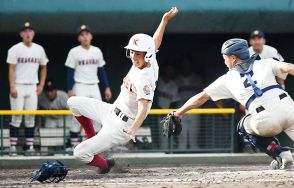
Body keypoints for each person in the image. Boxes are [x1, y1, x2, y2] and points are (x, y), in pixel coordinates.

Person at [67, 7, 178, 173]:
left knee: (79, 153)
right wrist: (164, 21)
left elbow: (143, 108)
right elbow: (155, 42)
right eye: (132, 51)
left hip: (121, 126)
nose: (134, 56)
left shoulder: (144, 79)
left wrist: (134, 129)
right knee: (73, 102)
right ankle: (92, 137)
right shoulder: (149, 59)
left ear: (146, 54)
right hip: (111, 111)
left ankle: (106, 166)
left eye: (138, 53)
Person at [172, 38, 294, 169]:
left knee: (242, 127)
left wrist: (178, 113)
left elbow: (201, 98)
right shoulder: (266, 62)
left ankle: (282, 154)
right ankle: (284, 156)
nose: (224, 61)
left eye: (225, 57)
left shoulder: (227, 79)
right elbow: (289, 67)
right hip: (289, 109)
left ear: (233, 58)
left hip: (265, 119)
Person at [65, 25, 112, 146]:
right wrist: (70, 89)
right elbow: (70, 72)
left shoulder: (97, 51)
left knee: (98, 115)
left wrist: (106, 87)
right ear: (78, 38)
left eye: (87, 34)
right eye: (82, 35)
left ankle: (94, 145)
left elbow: (101, 71)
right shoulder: (74, 51)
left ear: (91, 36)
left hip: (94, 85)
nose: (85, 37)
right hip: (80, 85)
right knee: (77, 115)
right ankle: (73, 145)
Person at [7, 22, 48, 155]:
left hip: (32, 86)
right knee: (16, 117)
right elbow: (11, 68)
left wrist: (41, 85)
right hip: (18, 85)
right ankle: (13, 147)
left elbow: (44, 66)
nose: (28, 33)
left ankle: (29, 147)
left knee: (31, 117)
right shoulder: (15, 49)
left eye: (30, 31)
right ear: (21, 34)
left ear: (33, 33)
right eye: (25, 31)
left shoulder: (39, 49)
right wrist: (12, 86)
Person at [175, 57, 203, 150]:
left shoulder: (197, 78)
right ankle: (181, 150)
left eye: (187, 64)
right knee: (181, 132)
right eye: (184, 64)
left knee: (194, 131)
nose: (185, 66)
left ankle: (194, 150)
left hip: (194, 108)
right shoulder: (176, 79)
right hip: (181, 108)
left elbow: (203, 95)